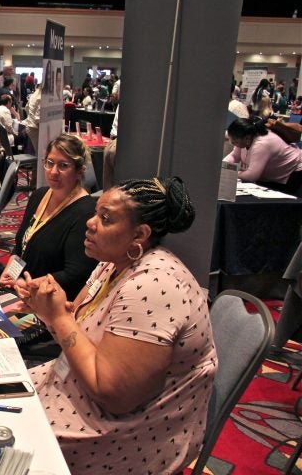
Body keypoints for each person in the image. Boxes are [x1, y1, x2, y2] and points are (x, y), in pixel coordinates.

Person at [18, 177, 215, 473]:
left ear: (140, 234)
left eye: (105, 218)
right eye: (96, 212)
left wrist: (58, 318)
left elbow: (114, 395)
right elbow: (80, 325)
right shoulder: (112, 262)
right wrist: (47, 308)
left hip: (118, 436)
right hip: (71, 389)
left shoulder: (153, 286)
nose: (90, 223)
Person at [0, 134, 96, 300]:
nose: (53, 172)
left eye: (63, 166)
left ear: (79, 171)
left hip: (51, 302)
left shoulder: (85, 213)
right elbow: (22, 246)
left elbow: (74, 275)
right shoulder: (39, 195)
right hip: (22, 289)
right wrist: (11, 275)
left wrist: (29, 285)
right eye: (50, 163)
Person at [224, 116, 302, 194]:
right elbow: (234, 156)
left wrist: (233, 173)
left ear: (247, 139)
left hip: (293, 171)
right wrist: (223, 166)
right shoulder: (244, 137)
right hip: (272, 175)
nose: (232, 143)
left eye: (234, 142)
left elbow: (251, 176)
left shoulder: (261, 144)